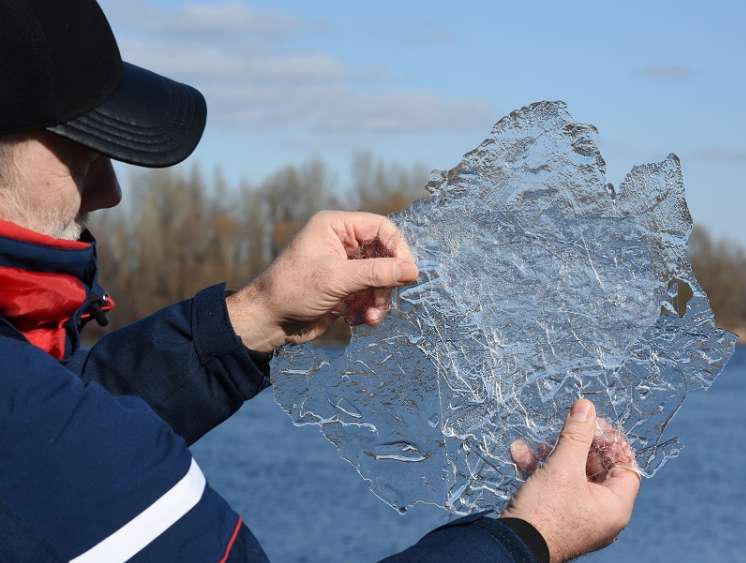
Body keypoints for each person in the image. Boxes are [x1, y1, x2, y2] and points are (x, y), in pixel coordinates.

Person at [0, 1, 640, 561]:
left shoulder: (36, 418)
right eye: (83, 153)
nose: (109, 190)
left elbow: (63, 417)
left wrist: (254, 317)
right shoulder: (38, 435)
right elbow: (54, 441)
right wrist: (530, 537)